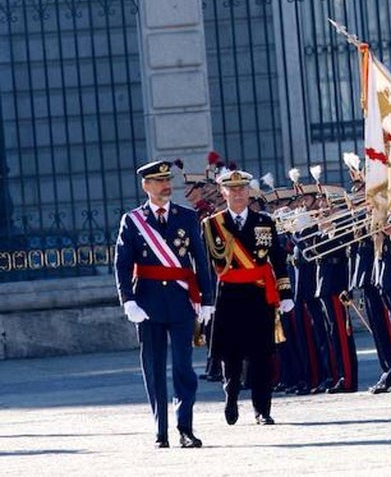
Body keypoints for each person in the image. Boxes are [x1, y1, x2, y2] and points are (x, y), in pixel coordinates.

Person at [114, 160, 212, 448]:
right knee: (154, 368)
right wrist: (128, 300)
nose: (166, 185)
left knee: (184, 367)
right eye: (159, 181)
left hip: (181, 302)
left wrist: (207, 299)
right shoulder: (132, 221)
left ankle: (185, 428)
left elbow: (200, 261)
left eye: (168, 179)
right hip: (148, 304)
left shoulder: (187, 217)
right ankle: (161, 430)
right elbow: (121, 265)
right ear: (146, 186)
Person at [202, 169, 295, 426]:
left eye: (242, 188)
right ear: (223, 193)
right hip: (228, 297)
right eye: (232, 189)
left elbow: (278, 258)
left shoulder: (265, 221)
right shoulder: (212, 225)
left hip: (258, 295)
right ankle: (230, 397)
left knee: (262, 355)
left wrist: (285, 292)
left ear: (249, 191)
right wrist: (204, 300)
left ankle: (262, 409)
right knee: (230, 356)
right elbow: (205, 266)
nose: (238, 193)